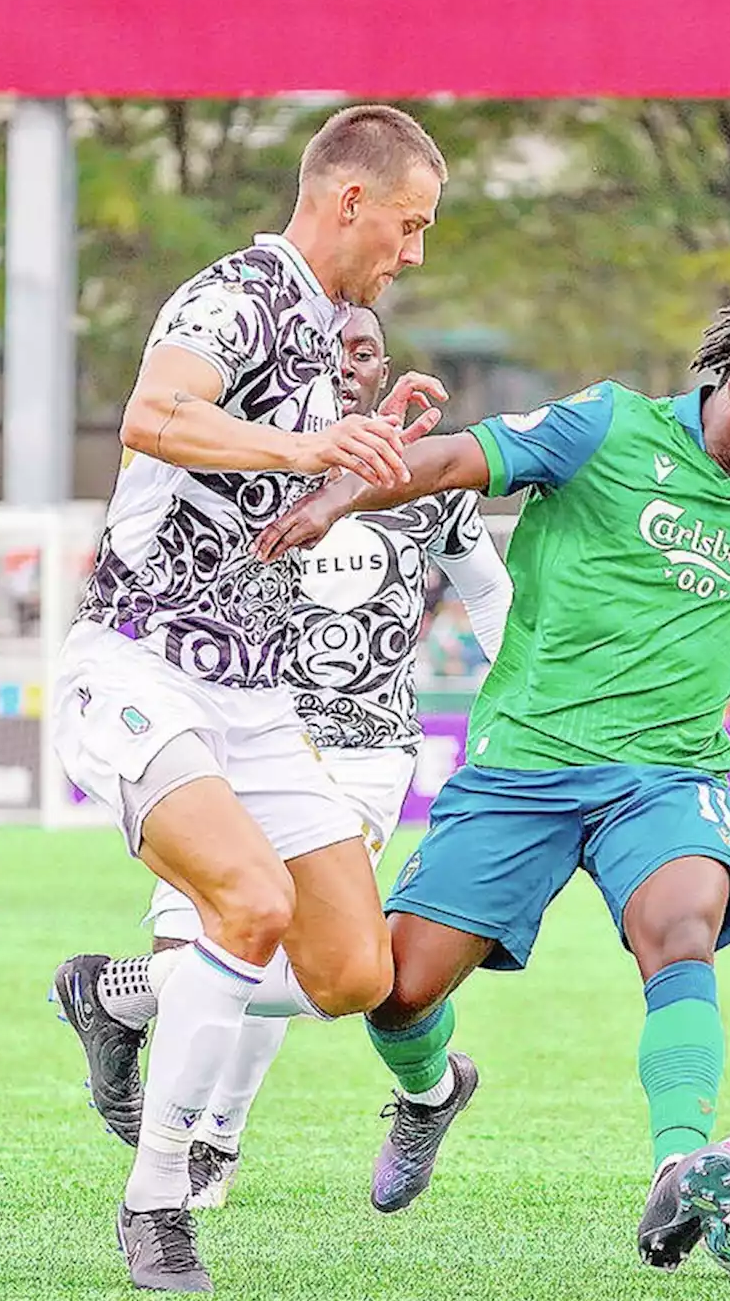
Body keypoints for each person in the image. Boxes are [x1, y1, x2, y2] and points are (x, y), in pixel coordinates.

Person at [255, 278, 730, 1270]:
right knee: (396, 990)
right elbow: (458, 457)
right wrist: (353, 485)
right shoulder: (603, 427)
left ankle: (681, 1163)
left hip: (663, 776)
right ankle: (432, 1089)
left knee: (680, 928)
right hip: (523, 767)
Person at [50, 104, 449, 1293]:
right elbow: (156, 417)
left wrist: (360, 445)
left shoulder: (328, 339)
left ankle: (118, 999)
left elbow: (276, 506)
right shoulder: (233, 293)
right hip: (134, 665)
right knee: (246, 900)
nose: (414, 254)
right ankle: (159, 1200)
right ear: (349, 201)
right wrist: (311, 449)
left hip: (252, 700)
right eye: (410, 225)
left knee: (352, 972)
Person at [99, 306, 511, 1211]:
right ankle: (420, 1090)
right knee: (201, 944)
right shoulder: (248, 465)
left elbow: (490, 594)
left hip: (364, 746)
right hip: (246, 729)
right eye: (333, 353)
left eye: (367, 353)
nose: (352, 367)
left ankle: (212, 1138)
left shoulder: (423, 479)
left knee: (283, 941)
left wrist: (518, 700)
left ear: (382, 367)